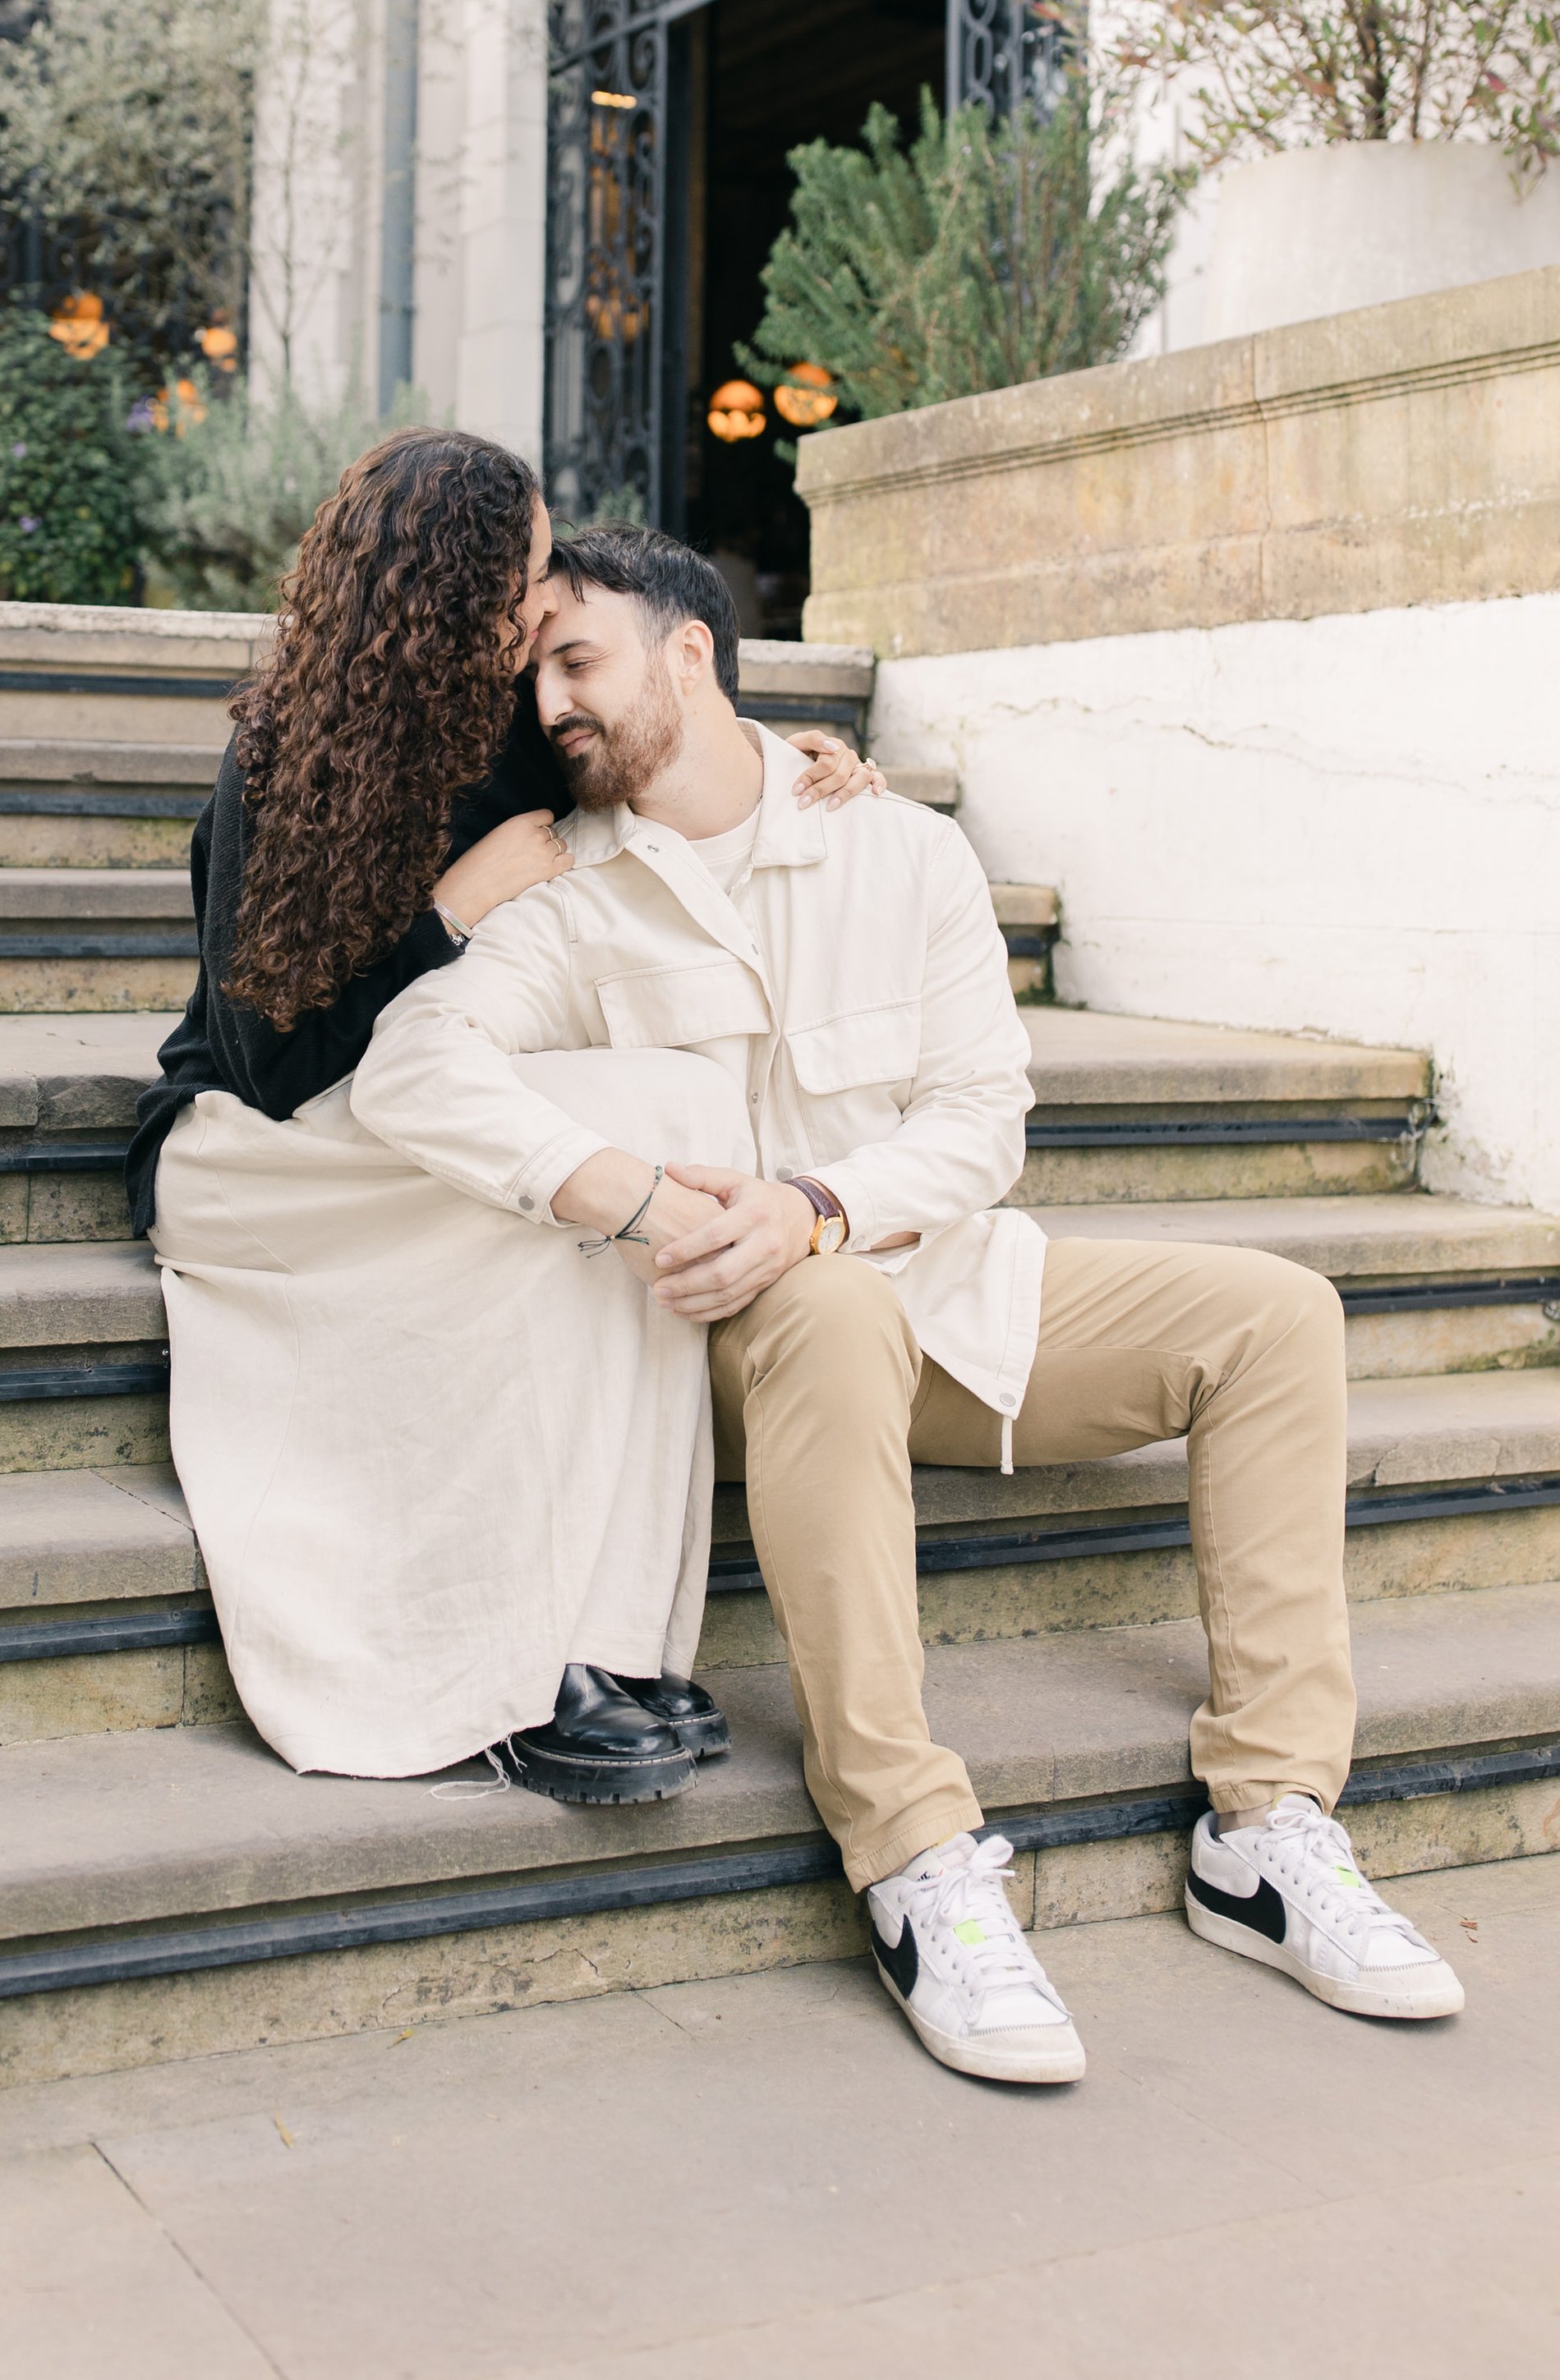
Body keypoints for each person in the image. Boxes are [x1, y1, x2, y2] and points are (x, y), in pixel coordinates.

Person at [350, 522, 1466, 2087]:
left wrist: (820, 1205)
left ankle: (1271, 1830)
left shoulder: (897, 846)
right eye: (534, 670)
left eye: (576, 657)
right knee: (827, 1313)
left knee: (1276, 1315)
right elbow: (409, 1065)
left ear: (691, 651)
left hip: (946, 1293)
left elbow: (982, 1115)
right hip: (739, 1349)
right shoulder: (571, 891)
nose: (548, 701)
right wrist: (638, 1194)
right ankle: (913, 1854)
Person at [136, 428, 876, 1803]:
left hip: (422, 1118)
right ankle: (522, 1666)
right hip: (264, 1153)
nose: (546, 601)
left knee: (665, 1118)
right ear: (456, 585)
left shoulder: (503, 734)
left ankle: (609, 1644)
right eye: (530, 568)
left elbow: (655, 738)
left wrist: (783, 754)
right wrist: (451, 908)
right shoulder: (283, 755)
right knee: (602, 1186)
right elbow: (268, 1058)